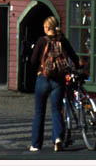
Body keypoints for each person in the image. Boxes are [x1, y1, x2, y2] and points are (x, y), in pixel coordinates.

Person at [29, 16, 79, 152]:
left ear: (46, 27)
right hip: (59, 80)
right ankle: (57, 138)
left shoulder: (41, 41)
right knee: (56, 110)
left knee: (39, 112)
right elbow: (74, 57)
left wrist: (38, 68)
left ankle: (35, 144)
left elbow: (33, 60)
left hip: (43, 78)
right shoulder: (62, 40)